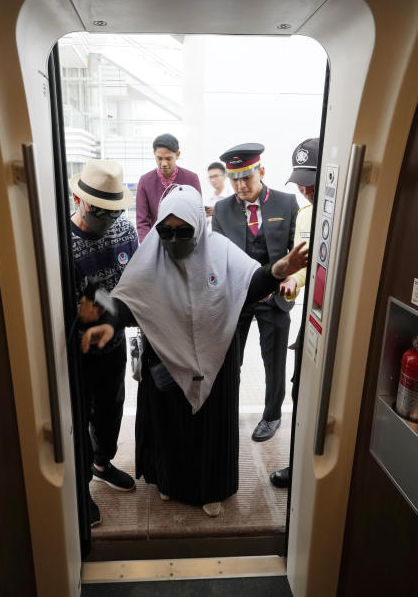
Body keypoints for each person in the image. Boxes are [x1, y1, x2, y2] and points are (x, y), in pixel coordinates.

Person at [80, 186, 308, 516]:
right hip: (167, 358)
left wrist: (278, 270)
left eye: (183, 231)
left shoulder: (221, 251)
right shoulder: (152, 254)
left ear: (200, 226)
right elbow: (129, 302)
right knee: (171, 427)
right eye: (166, 231)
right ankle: (170, 483)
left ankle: (210, 489)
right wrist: (109, 324)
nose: (173, 240)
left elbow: (250, 284)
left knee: (209, 432)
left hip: (215, 358)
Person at [211, 143, 299, 442]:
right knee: (228, 360)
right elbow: (218, 257)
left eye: (246, 177)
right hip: (237, 297)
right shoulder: (222, 209)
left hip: (275, 298)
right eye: (234, 178)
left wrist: (292, 278)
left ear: (261, 171)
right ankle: (225, 411)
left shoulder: (287, 203)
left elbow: (297, 249)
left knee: (274, 362)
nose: (240, 185)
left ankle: (272, 415)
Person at [68, 159, 138, 528]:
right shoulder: (60, 242)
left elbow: (134, 288)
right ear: (78, 198)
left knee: (111, 413)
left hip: (114, 345)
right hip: (76, 354)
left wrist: (104, 305)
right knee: (78, 421)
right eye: (99, 210)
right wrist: (92, 307)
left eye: (113, 211)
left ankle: (102, 463)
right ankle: (80, 489)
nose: (106, 218)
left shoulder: (126, 232)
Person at [271, 137, 319, 489]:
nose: (304, 189)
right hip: (315, 318)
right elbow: (305, 265)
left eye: (310, 180)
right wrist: (293, 280)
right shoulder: (306, 215)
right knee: (301, 385)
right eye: (300, 180)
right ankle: (298, 463)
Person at [134, 133, 202, 243]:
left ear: (178, 155)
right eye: (159, 158)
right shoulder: (145, 181)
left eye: (168, 158)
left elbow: (199, 216)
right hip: (155, 242)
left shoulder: (192, 179)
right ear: (154, 155)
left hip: (186, 241)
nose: (164, 163)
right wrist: (147, 247)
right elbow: (142, 222)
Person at [203, 161, 234, 230]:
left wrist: (217, 211)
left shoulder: (233, 197)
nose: (213, 180)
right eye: (210, 177)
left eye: (215, 176)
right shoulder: (208, 200)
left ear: (224, 176)